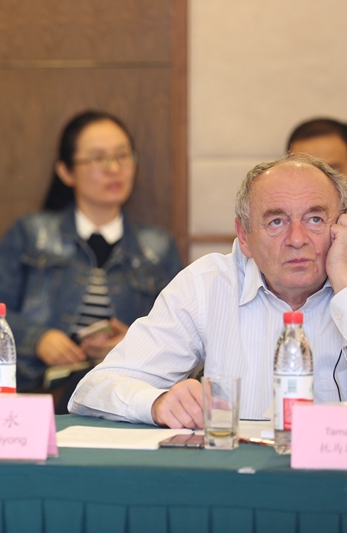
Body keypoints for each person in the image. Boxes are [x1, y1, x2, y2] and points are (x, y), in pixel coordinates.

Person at [69, 152, 347, 428]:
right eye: (277, 222)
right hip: (236, 456)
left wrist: (344, 288)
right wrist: (158, 403)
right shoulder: (207, 284)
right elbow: (93, 388)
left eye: (315, 219)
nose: (297, 239)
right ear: (244, 236)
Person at [0, 111, 182, 395]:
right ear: (66, 171)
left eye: (122, 156)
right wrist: (38, 339)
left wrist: (134, 342)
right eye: (98, 158)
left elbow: (179, 333)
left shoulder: (159, 246)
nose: (114, 168)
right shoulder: (30, 233)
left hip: (126, 395)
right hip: (40, 390)